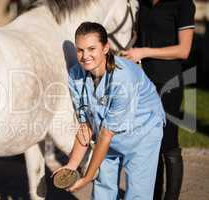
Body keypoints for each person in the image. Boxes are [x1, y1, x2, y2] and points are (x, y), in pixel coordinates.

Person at [55, 22, 165, 200]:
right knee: (102, 188)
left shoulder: (123, 78)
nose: (85, 56)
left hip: (143, 133)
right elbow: (86, 125)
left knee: (137, 194)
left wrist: (87, 177)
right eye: (80, 50)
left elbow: (106, 135)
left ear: (106, 48)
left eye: (92, 49)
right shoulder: (76, 75)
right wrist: (72, 165)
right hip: (106, 135)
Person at [122, 0, 195, 199]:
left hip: (169, 82)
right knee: (148, 144)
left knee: (168, 142)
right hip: (143, 82)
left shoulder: (183, 4)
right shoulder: (142, 3)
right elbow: (138, 38)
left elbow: (184, 50)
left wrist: (143, 52)